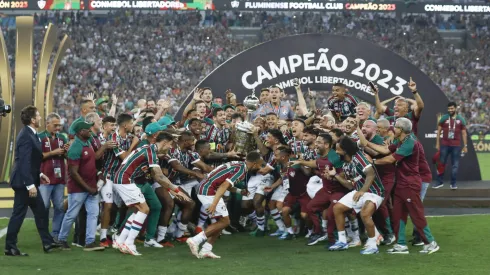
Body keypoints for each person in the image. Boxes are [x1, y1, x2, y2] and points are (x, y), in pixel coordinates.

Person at [361, 117, 439, 255]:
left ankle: (431, 242)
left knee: (416, 214)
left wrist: (373, 162)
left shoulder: (410, 143)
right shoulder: (400, 141)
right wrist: (366, 143)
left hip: (410, 184)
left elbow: (391, 158)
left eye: (395, 126)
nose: (392, 128)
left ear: (401, 130)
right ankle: (400, 244)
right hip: (401, 184)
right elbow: (385, 150)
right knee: (398, 215)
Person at [187, 152, 263, 259]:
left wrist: (239, 191)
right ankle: (195, 240)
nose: (260, 167)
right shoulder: (242, 170)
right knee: (225, 221)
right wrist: (214, 204)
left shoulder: (239, 165)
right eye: (260, 164)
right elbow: (223, 185)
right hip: (208, 190)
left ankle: (206, 250)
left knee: (222, 222)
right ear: (254, 164)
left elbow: (224, 183)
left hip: (207, 188)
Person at [5, 106, 59, 256]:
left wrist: (40, 173)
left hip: (29, 180)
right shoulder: (26, 136)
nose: (41, 118)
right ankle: (10, 246)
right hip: (24, 183)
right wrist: (30, 185)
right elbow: (23, 162)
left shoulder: (31, 134)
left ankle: (47, 243)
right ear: (33, 120)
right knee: (19, 214)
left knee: (41, 211)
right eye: (38, 116)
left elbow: (32, 160)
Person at [327, 136, 384, 255]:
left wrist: (362, 190)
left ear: (345, 150)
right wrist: (335, 176)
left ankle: (373, 245)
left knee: (365, 214)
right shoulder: (346, 164)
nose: (336, 152)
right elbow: (349, 186)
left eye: (338, 150)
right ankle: (342, 241)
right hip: (358, 191)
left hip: (374, 192)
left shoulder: (359, 157)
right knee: (337, 208)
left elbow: (371, 174)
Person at [57, 120, 105, 252]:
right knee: (71, 214)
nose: (90, 131)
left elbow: (91, 162)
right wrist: (88, 188)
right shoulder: (75, 147)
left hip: (91, 186)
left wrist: (98, 175)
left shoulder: (87, 142)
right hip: (79, 189)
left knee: (93, 214)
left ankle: (89, 242)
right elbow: (73, 172)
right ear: (80, 132)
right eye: (87, 130)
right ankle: (61, 240)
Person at [38, 112, 69, 241]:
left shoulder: (62, 138)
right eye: (55, 125)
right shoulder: (39, 137)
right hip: (44, 178)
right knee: (44, 207)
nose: (58, 128)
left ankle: (55, 234)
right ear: (47, 123)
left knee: (59, 207)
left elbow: (68, 157)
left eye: (59, 125)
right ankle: (44, 234)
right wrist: (53, 152)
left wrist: (67, 152)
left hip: (59, 178)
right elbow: (38, 156)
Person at [434, 102, 468, 189]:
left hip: (456, 146)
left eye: (452, 108)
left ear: (455, 108)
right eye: (449, 109)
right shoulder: (444, 118)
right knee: (441, 164)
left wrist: (465, 146)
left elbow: (464, 133)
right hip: (444, 145)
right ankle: (439, 182)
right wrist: (437, 143)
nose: (450, 110)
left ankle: (453, 183)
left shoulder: (461, 119)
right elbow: (438, 131)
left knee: (455, 165)